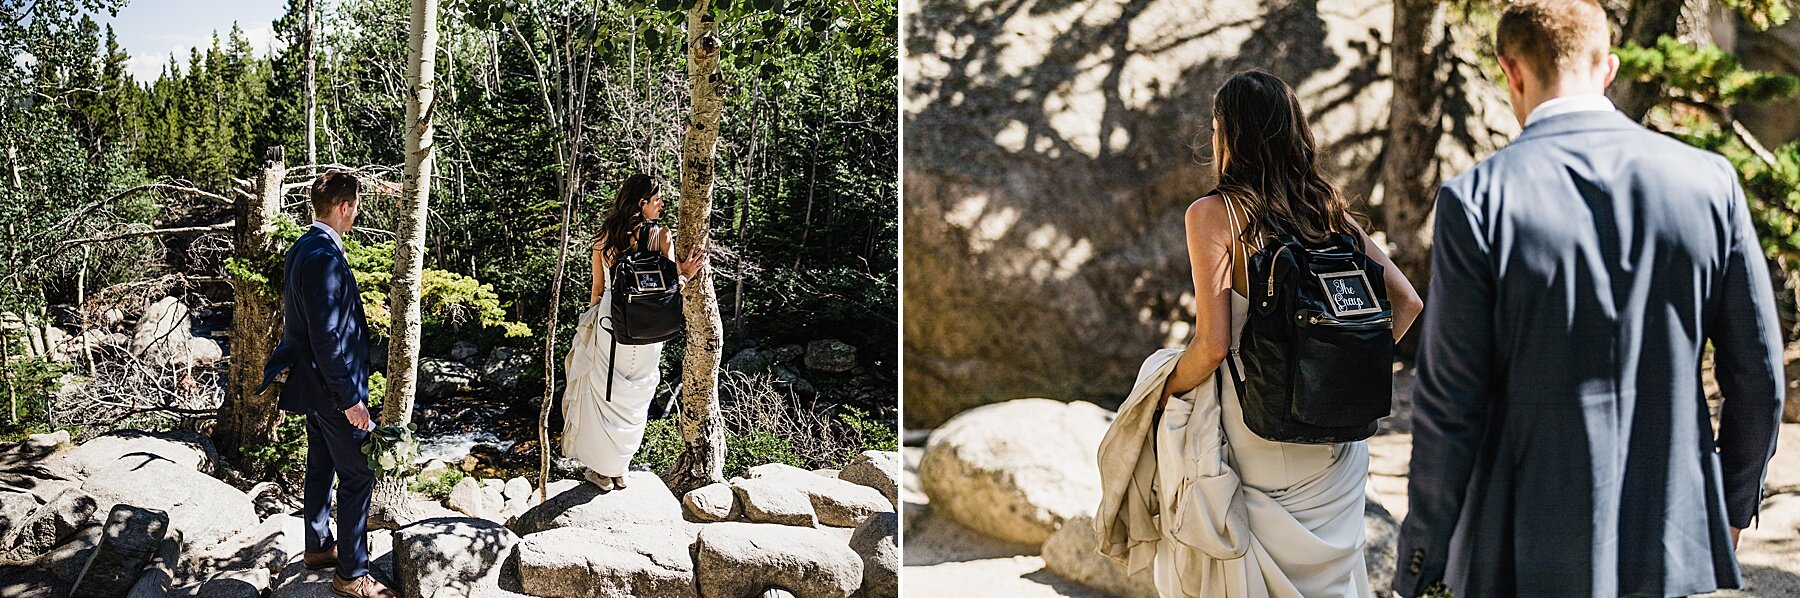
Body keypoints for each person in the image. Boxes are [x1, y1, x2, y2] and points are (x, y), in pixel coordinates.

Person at [1395, 1, 1785, 596]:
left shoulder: (1477, 200)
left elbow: (1449, 402)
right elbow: (1759, 376)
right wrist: (1728, 507)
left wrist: (1422, 558)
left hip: (1522, 544)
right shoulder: (1710, 183)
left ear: (1512, 72)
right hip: (1667, 534)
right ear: (1608, 68)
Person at [1096, 70, 1424, 598]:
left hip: (1259, 428)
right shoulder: (1330, 212)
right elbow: (1407, 302)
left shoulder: (1215, 214)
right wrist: (1340, 367)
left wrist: (1165, 390)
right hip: (1336, 435)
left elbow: (1214, 344)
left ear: (1227, 135)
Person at [258, 171, 394, 598]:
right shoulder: (323, 257)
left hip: (312, 387)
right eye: (355, 206)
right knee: (358, 474)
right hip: (331, 388)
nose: (356, 213)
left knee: (321, 462)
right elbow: (327, 337)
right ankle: (352, 573)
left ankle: (318, 547)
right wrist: (351, 399)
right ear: (344, 207)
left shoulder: (303, 247)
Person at [561, 174, 704, 490]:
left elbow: (598, 290)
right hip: (650, 329)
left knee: (606, 396)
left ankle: (603, 470)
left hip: (612, 325)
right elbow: (667, 289)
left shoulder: (604, 238)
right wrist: (686, 275)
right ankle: (620, 468)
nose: (662, 204)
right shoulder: (662, 237)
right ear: (642, 203)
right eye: (657, 199)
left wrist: (592, 322)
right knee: (637, 396)